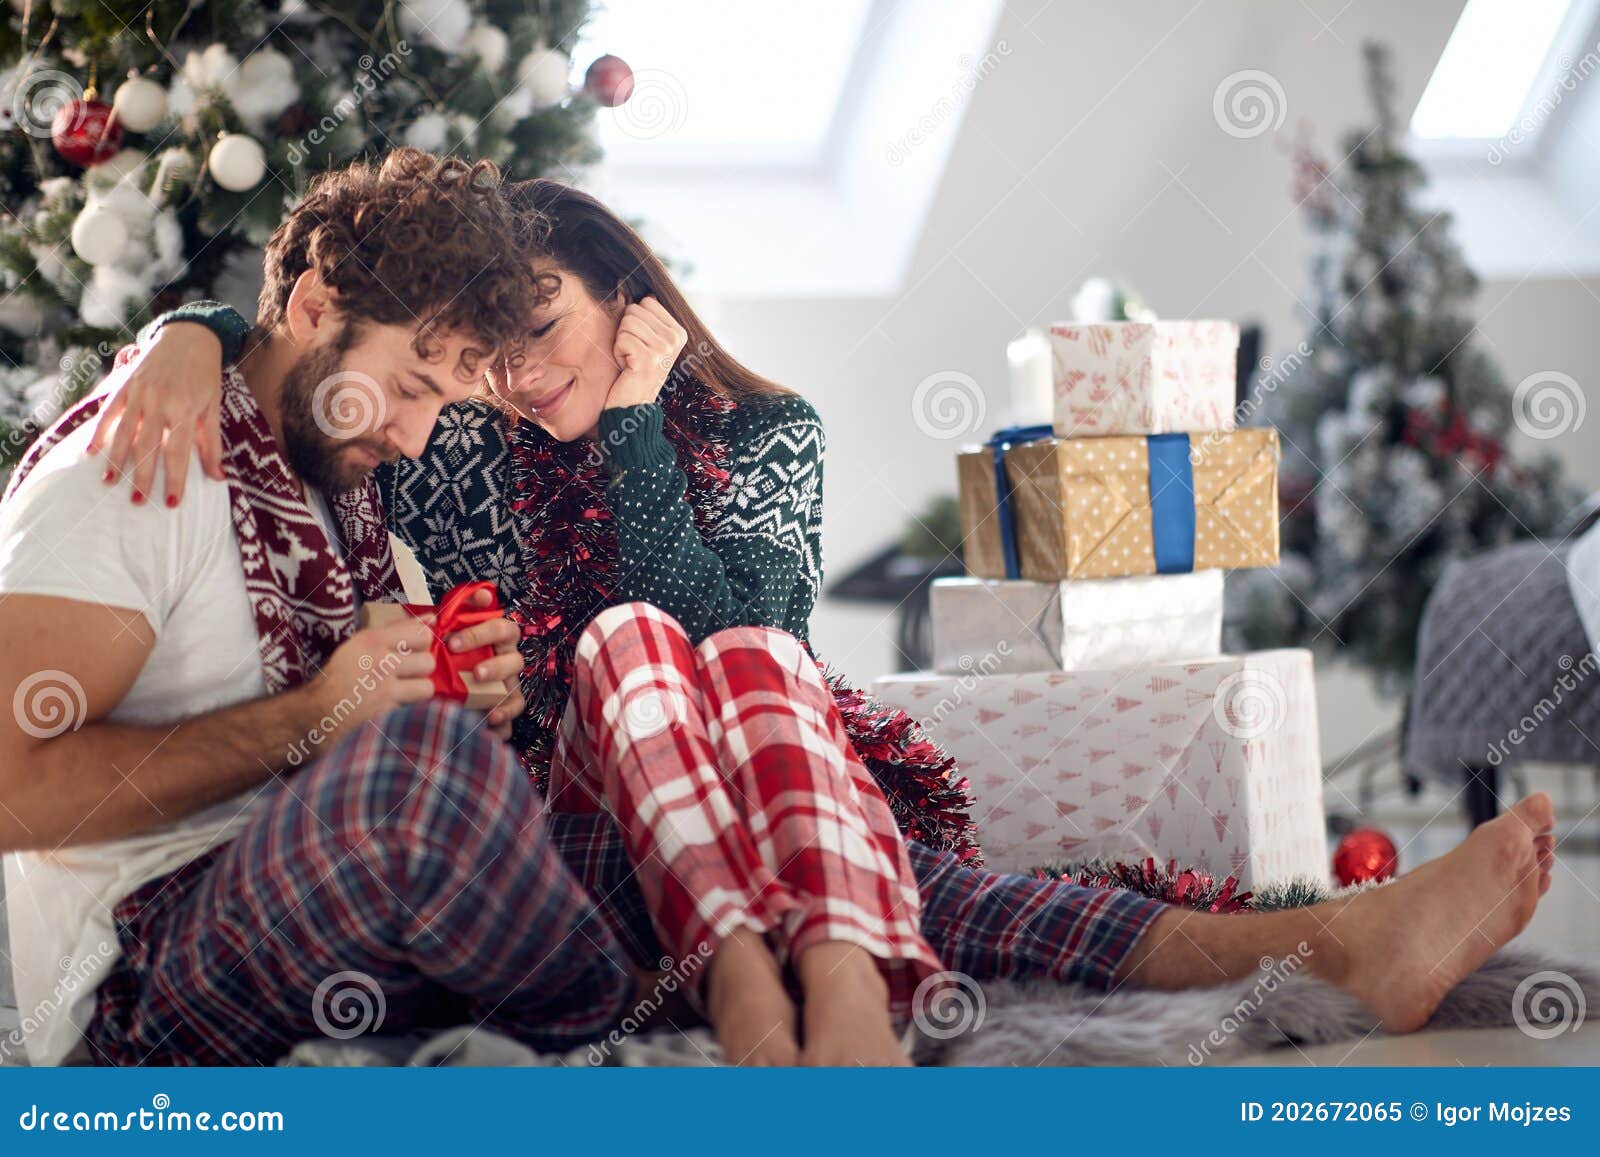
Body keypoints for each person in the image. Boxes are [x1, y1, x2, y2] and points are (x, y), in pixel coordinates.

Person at [101, 180, 1559, 1066]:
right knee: (634, 655)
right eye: (486, 350)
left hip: (757, 756)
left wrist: (627, 435)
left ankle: (1332, 950)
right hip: (583, 825)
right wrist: (190, 333)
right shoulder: (454, 437)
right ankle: (783, 974)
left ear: (630, 298)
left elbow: (760, 624)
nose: (514, 373)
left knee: (762, 683)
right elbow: (309, 340)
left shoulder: (764, 426)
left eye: (542, 327)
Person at [0, 151, 642, 1066]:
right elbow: (12, 794)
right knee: (420, 771)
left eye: (444, 404)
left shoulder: (342, 494)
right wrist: (315, 716)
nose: (415, 440)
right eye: (412, 388)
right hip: (142, 989)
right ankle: (621, 1054)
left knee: (657, 848)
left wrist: (460, 691)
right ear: (312, 308)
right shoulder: (137, 466)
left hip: (337, 913)